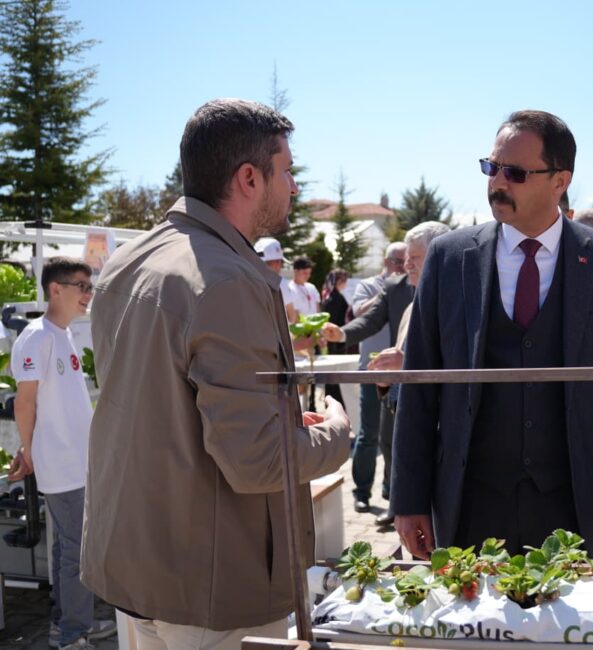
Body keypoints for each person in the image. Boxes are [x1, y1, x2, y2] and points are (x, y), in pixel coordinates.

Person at [81, 98, 350, 648]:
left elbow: (165, 406)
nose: (294, 188)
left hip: (137, 569)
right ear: (249, 178)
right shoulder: (225, 278)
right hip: (212, 591)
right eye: (287, 172)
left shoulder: (129, 260)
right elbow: (256, 461)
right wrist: (334, 432)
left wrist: (276, 415)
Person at [391, 110, 593, 562]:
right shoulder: (449, 258)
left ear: (560, 181)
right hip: (469, 504)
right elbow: (419, 390)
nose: (497, 182)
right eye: (491, 168)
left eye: (514, 172)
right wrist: (409, 499)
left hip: (572, 503)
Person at [7, 258, 116, 650]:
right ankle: (73, 634)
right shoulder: (37, 336)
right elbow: (25, 402)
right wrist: (30, 449)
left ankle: (70, 623)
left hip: (75, 461)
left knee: (67, 547)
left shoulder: (62, 334)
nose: (89, 294)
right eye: (82, 286)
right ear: (56, 289)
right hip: (61, 463)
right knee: (76, 550)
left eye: (90, 286)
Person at [362, 221, 452, 527]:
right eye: (406, 257)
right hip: (402, 412)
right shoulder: (413, 304)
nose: (407, 263)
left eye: (415, 256)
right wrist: (386, 380)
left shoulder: (455, 305)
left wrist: (406, 363)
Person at [321, 245, 414, 514]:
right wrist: (341, 335)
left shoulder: (435, 284)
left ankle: (396, 500)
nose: (406, 265)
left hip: (416, 377)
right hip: (379, 374)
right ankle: (367, 493)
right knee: (376, 437)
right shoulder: (393, 287)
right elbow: (369, 319)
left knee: (401, 442)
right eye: (401, 260)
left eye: (412, 259)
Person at [344, 242, 407, 512]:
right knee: (368, 434)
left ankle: (391, 492)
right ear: (386, 261)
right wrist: (385, 292)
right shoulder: (372, 286)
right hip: (371, 370)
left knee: (393, 437)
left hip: (397, 374)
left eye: (406, 261)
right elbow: (363, 316)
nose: (403, 266)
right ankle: (361, 491)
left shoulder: (407, 286)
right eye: (398, 261)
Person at [321, 269, 351, 402]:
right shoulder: (335, 298)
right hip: (336, 340)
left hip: (334, 338)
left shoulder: (331, 296)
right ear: (339, 281)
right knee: (335, 371)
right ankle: (334, 399)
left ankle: (333, 397)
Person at [284, 256, 320, 323]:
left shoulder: (312, 287)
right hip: (299, 330)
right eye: (304, 273)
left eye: (309, 273)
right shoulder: (289, 288)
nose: (308, 276)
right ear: (295, 271)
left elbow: (317, 309)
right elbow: (293, 315)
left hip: (314, 328)